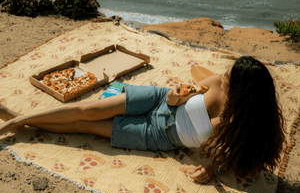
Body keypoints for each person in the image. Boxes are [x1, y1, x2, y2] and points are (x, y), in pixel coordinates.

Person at [0, 56, 285, 183]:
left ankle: (17, 118)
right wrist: (176, 96)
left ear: (244, 96)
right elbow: (186, 91)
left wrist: (212, 169)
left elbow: (234, 157)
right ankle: (15, 121)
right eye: (225, 73)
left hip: (159, 134)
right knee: (86, 110)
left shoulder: (239, 127)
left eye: (229, 80)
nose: (222, 78)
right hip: (158, 98)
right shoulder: (218, 82)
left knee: (80, 127)